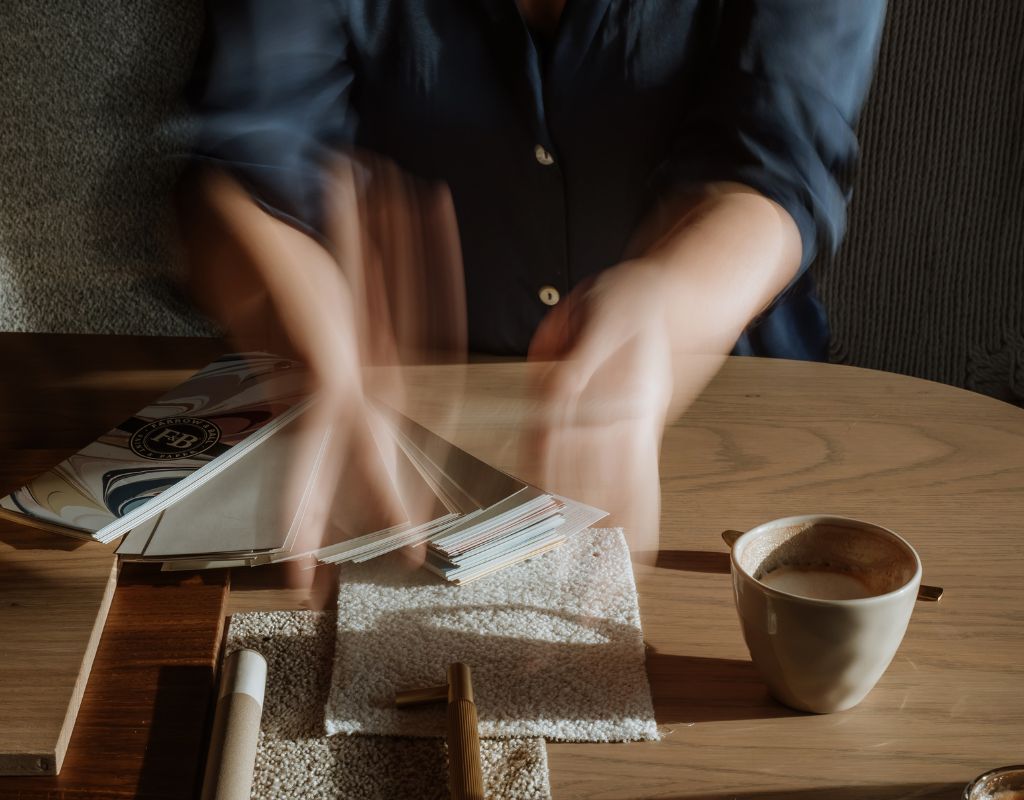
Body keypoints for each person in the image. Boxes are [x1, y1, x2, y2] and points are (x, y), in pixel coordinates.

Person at [180, 0, 886, 559]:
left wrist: (667, 313)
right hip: (392, 432)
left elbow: (784, 161)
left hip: (742, 426)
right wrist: (284, 287)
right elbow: (242, 151)